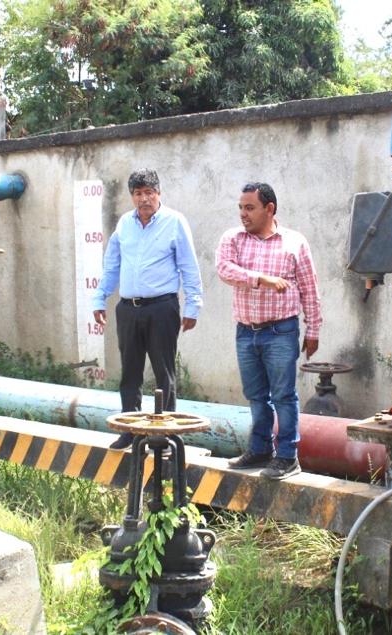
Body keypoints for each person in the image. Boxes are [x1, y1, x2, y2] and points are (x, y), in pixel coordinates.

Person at [216, 182, 322, 480]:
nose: (243, 214)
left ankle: (288, 456)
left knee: (283, 395)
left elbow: (309, 289)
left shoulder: (294, 242)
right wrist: (262, 279)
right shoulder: (233, 239)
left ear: (269, 209)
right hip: (246, 331)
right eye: (240, 207)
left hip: (281, 331)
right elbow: (224, 270)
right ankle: (260, 449)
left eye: (250, 208)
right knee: (255, 395)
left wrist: (313, 330)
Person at [93, 169, 203, 449]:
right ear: (132, 196)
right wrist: (99, 299)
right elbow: (112, 265)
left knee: (163, 373)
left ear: (159, 193)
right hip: (128, 309)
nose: (144, 199)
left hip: (161, 308)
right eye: (138, 193)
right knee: (130, 372)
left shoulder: (174, 222)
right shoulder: (124, 225)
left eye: (149, 193)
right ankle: (130, 430)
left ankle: (163, 436)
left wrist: (193, 305)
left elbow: (189, 266)